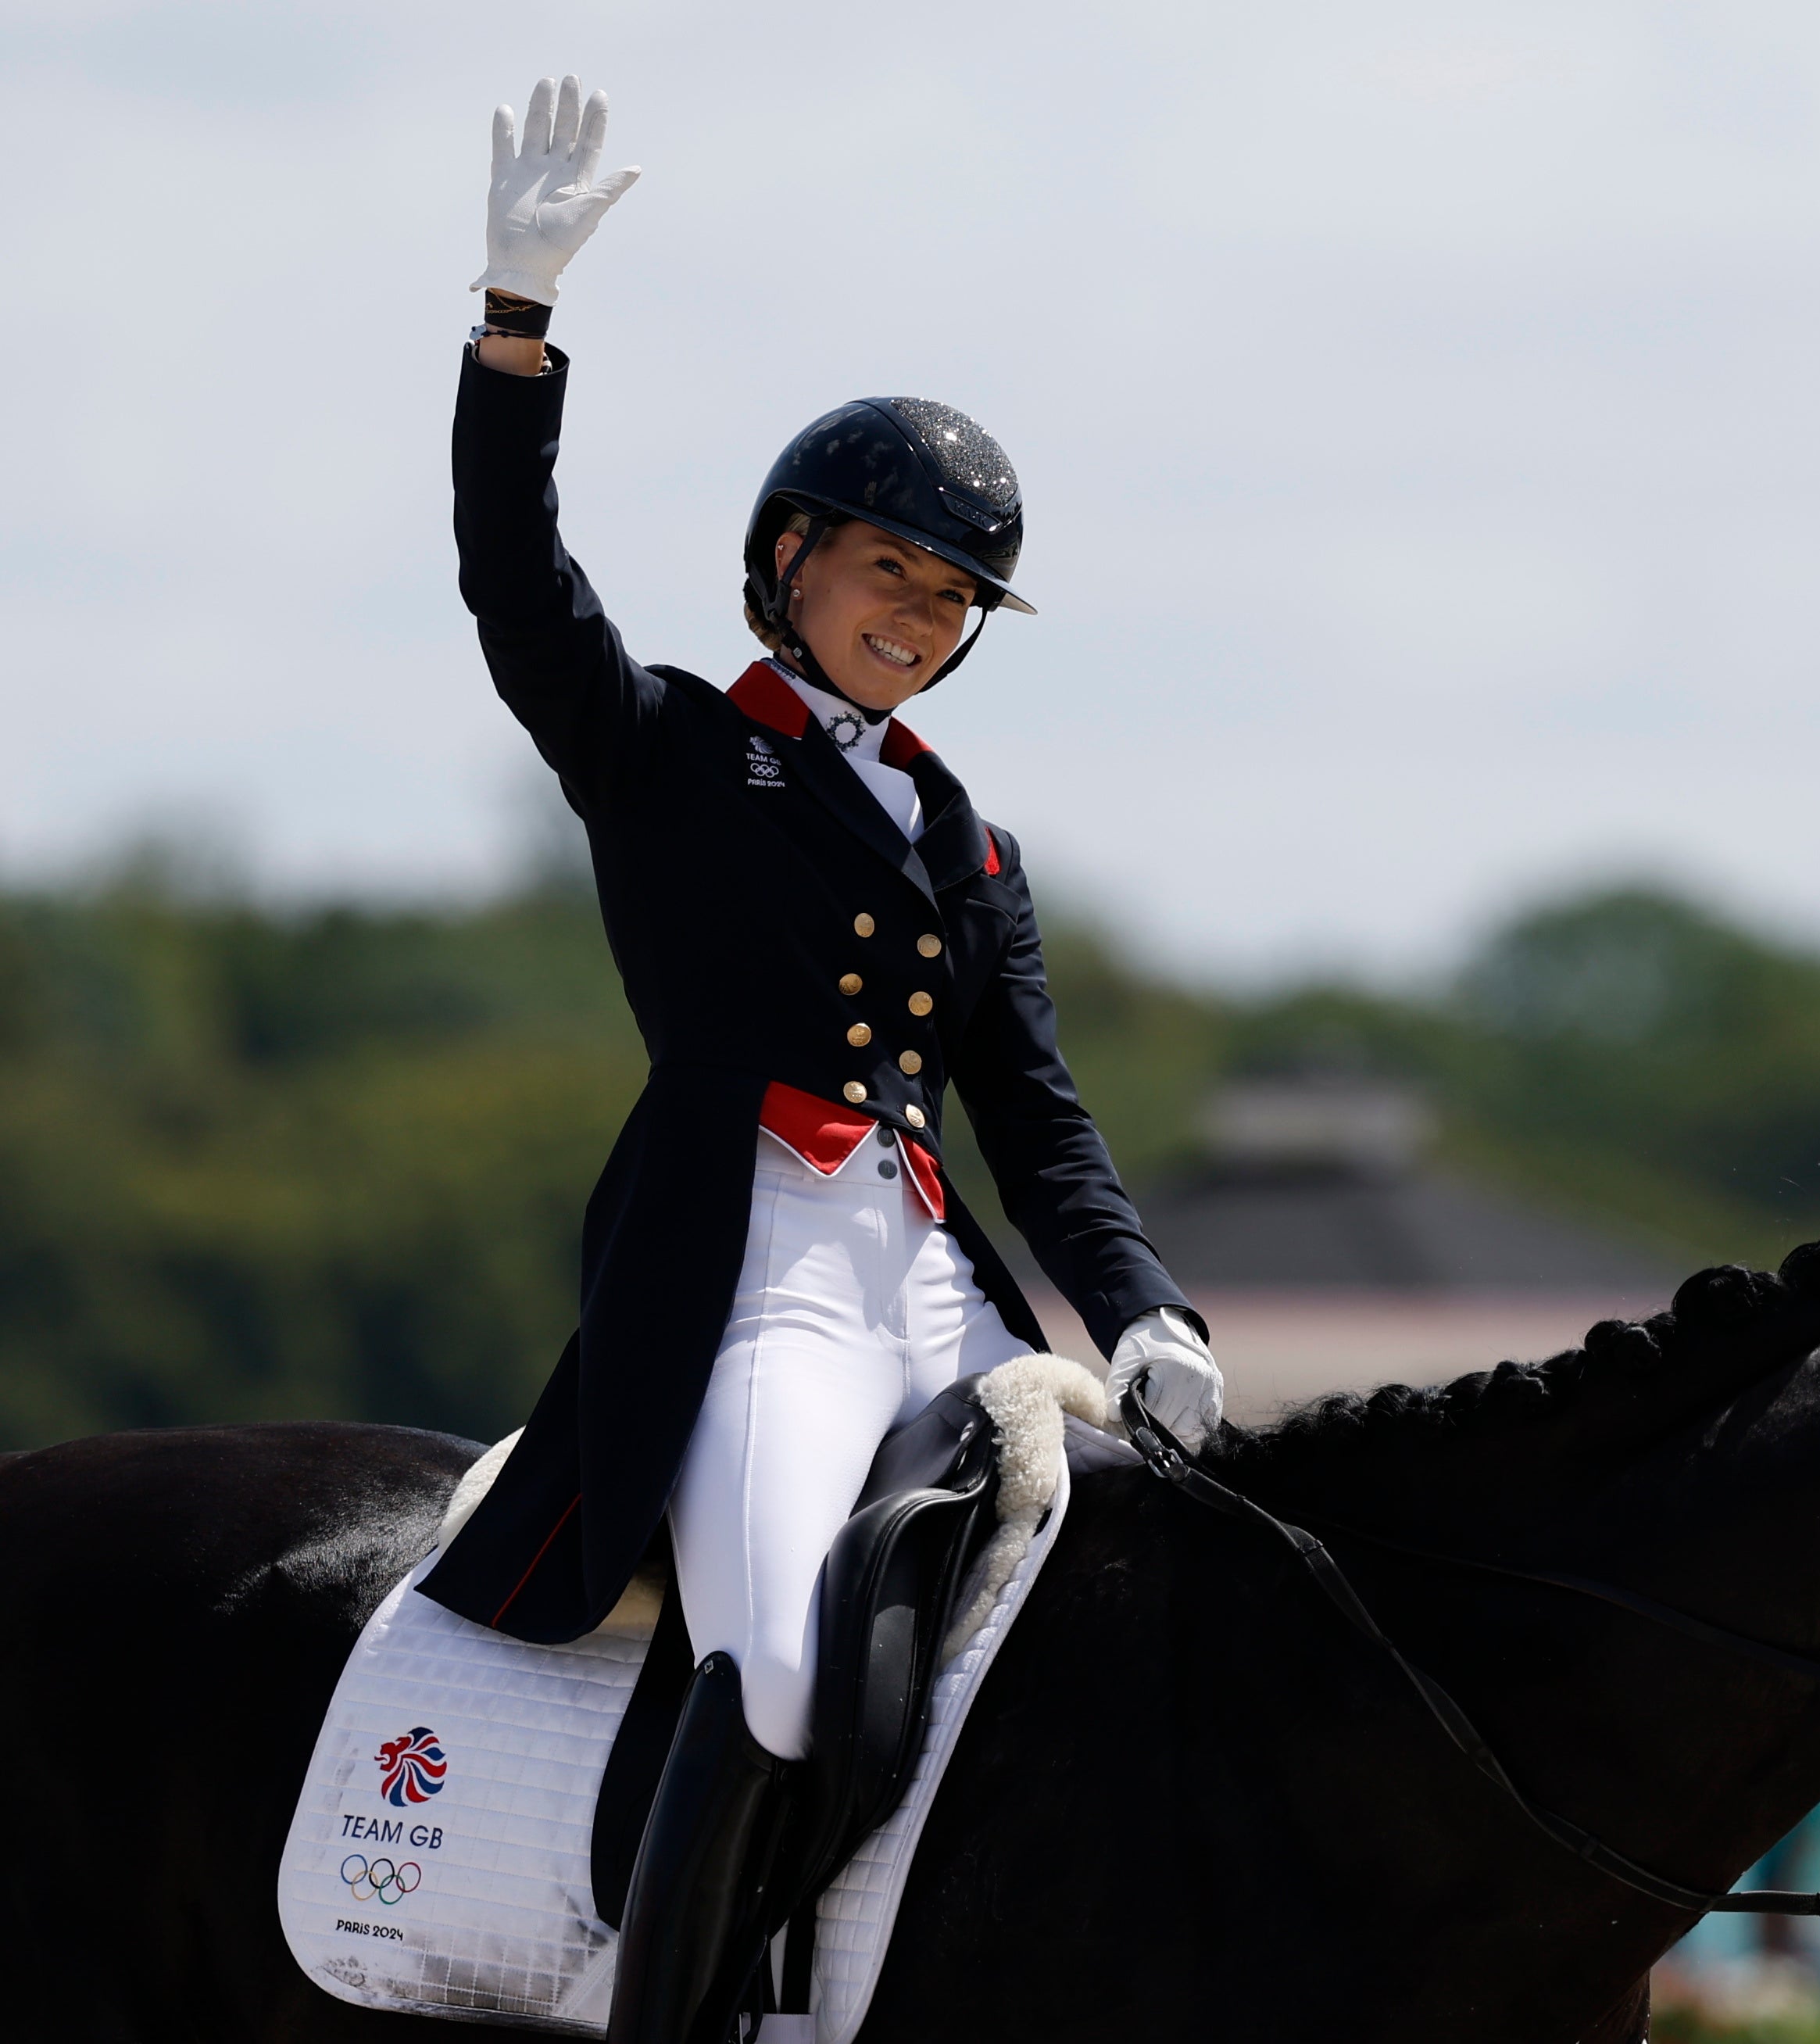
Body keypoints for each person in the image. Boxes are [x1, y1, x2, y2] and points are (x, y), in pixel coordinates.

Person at [414, 76, 1222, 2043]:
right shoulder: (677, 749)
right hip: (754, 1271)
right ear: (791, 556)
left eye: (953, 601)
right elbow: (518, 591)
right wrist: (512, 337)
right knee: (780, 1661)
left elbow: (1036, 1118)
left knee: (1137, 1633)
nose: (922, 622)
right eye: (893, 575)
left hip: (931, 1278)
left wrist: (1147, 1309)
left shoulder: (968, 841)